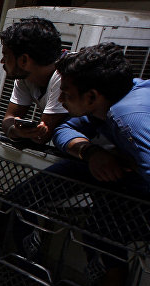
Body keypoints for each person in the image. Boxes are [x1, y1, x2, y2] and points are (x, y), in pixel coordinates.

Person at [52, 43, 150, 191]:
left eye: (66, 94)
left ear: (91, 96)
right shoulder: (103, 105)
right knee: (75, 169)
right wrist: (91, 152)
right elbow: (64, 129)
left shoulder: (128, 118)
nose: (60, 99)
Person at [0, 17, 69, 145]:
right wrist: (16, 130)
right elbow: (8, 119)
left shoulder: (65, 75)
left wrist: (24, 132)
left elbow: (42, 136)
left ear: (24, 60)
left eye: (6, 56)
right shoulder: (25, 76)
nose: (2, 61)